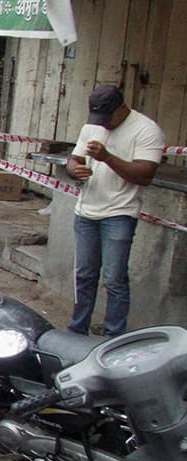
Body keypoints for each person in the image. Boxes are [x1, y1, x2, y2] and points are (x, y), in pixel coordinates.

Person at [65, 86, 163, 337]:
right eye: (98, 119)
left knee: (114, 279)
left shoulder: (147, 130)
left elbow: (144, 175)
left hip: (119, 213)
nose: (103, 124)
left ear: (122, 109)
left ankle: (113, 336)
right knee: (84, 275)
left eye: (108, 118)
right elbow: (74, 159)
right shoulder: (92, 127)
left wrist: (107, 157)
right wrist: (75, 169)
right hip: (86, 212)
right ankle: (77, 330)